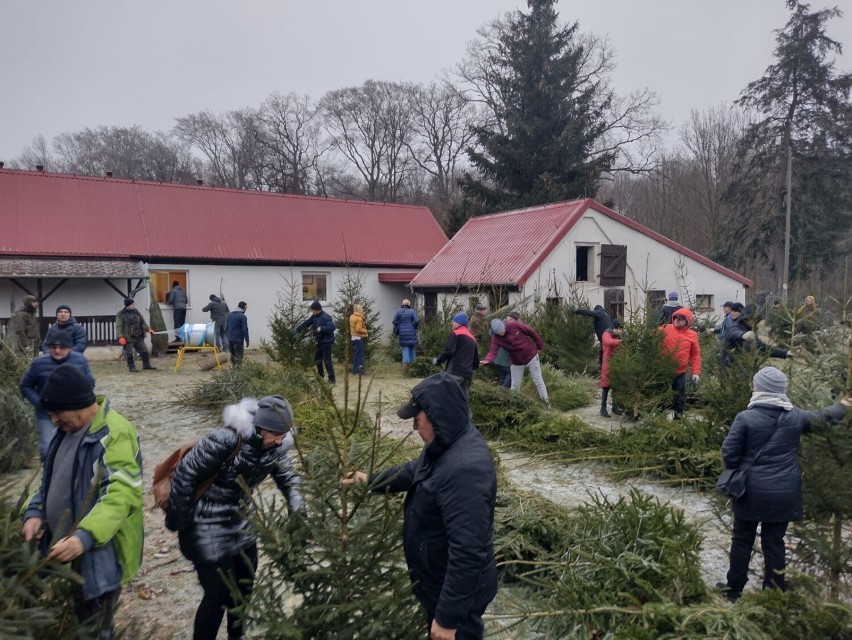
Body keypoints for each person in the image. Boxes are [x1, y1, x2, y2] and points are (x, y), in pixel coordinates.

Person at [343, 373, 497, 640]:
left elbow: (469, 550)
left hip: (459, 599)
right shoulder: (445, 443)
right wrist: (371, 481)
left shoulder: (464, 471)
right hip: (437, 583)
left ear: (436, 416)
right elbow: (415, 470)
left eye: (417, 419)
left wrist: (448, 619)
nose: (414, 427)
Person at [166, 395, 304, 640]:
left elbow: (289, 479)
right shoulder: (225, 439)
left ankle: (236, 635)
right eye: (274, 433)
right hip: (205, 524)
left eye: (284, 434)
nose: (280, 440)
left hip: (241, 523)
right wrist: (180, 520)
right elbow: (185, 476)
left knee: (243, 589)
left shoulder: (276, 447)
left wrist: (298, 508)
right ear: (260, 427)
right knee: (217, 594)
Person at [22, 364, 143, 639]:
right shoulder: (66, 430)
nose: (52, 420)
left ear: (78, 404)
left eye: (56, 412)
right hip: (64, 544)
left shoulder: (114, 433)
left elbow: (122, 494)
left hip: (100, 553)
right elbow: (50, 479)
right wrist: (34, 511)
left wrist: (84, 537)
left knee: (94, 626)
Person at [716, 367, 852, 602]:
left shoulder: (745, 418)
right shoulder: (796, 416)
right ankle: (775, 593)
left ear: (760, 389)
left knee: (742, 539)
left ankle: (734, 589)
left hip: (750, 491)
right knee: (774, 542)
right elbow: (824, 418)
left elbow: (729, 455)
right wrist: (844, 405)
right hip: (784, 493)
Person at [20, 329, 96, 462]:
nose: (58, 351)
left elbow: (90, 382)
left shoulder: (80, 361)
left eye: (62, 347)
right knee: (47, 448)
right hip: (47, 414)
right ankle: (49, 474)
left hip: (73, 412)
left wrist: (80, 402)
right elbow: (25, 386)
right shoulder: (39, 364)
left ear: (70, 348)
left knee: (77, 445)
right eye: (53, 347)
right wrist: (39, 402)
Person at [481, 318, 549, 403]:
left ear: (504, 326)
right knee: (515, 385)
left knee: (538, 381)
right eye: (499, 333)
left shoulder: (514, 325)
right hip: (516, 361)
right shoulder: (496, 338)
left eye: (502, 331)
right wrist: (488, 360)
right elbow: (493, 351)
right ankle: (514, 405)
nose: (501, 334)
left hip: (531, 356)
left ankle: (546, 403)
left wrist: (540, 345)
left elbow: (531, 332)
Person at [720, 302, 794, 369]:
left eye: (757, 319)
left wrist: (785, 353)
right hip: (730, 371)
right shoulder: (736, 326)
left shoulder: (751, 330)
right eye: (753, 319)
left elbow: (763, 348)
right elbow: (732, 332)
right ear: (746, 318)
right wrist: (743, 335)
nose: (755, 322)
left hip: (745, 369)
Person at [658, 307, 701, 418]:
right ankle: (658, 419)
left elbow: (695, 354)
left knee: (679, 397)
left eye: (681, 318)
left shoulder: (692, 335)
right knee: (661, 396)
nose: (677, 320)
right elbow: (650, 337)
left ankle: (678, 420)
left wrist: (696, 372)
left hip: (680, 372)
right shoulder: (664, 328)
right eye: (676, 317)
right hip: (664, 370)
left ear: (687, 321)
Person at [433, 312, 479, 401]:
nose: (452, 324)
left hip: (454, 372)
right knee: (463, 401)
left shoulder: (456, 333)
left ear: (458, 323)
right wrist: (468, 368)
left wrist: (437, 360)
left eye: (453, 321)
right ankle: (465, 415)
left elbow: (448, 351)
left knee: (447, 398)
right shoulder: (472, 338)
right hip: (467, 375)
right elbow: (476, 362)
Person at [293, 300, 336, 383]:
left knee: (327, 361)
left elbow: (332, 328)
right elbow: (307, 323)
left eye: (312, 310)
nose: (311, 311)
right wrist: (297, 330)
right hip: (319, 341)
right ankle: (320, 377)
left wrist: (322, 328)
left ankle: (332, 379)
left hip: (327, 342)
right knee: (318, 359)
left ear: (316, 309)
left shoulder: (326, 317)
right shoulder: (314, 316)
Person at [115, 298, 157, 373]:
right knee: (129, 353)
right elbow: (119, 326)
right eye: (132, 304)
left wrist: (148, 329)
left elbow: (143, 322)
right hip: (128, 337)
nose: (134, 305)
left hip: (138, 336)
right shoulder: (121, 314)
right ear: (128, 305)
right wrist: (121, 337)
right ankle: (131, 367)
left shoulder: (136, 311)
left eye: (134, 304)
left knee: (144, 350)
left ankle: (146, 365)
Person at [574, 305, 612, 370]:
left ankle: (603, 371)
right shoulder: (606, 314)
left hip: (605, 338)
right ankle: (603, 370)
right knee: (603, 354)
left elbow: (589, 313)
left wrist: (577, 311)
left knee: (604, 355)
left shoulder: (599, 312)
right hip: (608, 337)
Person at [599, 320, 624, 418]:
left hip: (617, 364)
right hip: (608, 364)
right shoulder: (607, 334)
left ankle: (615, 406)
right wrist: (621, 341)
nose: (621, 331)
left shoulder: (619, 336)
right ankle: (603, 408)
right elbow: (608, 342)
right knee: (606, 387)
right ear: (615, 328)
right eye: (619, 329)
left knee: (616, 387)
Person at [392, 299, 420, 365]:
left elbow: (394, 321)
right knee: (412, 349)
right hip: (411, 332)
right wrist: (414, 327)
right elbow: (417, 321)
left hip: (402, 334)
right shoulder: (412, 311)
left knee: (405, 350)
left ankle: (406, 367)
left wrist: (400, 324)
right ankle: (413, 366)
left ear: (402, 304)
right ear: (409, 304)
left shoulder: (399, 312)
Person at [226, 301, 250, 366]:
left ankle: (233, 371)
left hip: (230, 339)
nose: (246, 309)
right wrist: (247, 340)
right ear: (244, 307)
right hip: (238, 339)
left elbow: (227, 327)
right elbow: (245, 329)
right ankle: (238, 372)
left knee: (233, 356)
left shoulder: (230, 315)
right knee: (239, 356)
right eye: (246, 307)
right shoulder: (242, 316)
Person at [349, 302, 368, 375]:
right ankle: (357, 371)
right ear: (359, 310)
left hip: (353, 338)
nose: (363, 310)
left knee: (357, 355)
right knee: (359, 355)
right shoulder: (359, 318)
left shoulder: (352, 316)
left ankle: (359, 371)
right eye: (362, 308)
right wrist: (365, 331)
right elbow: (358, 329)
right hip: (358, 338)